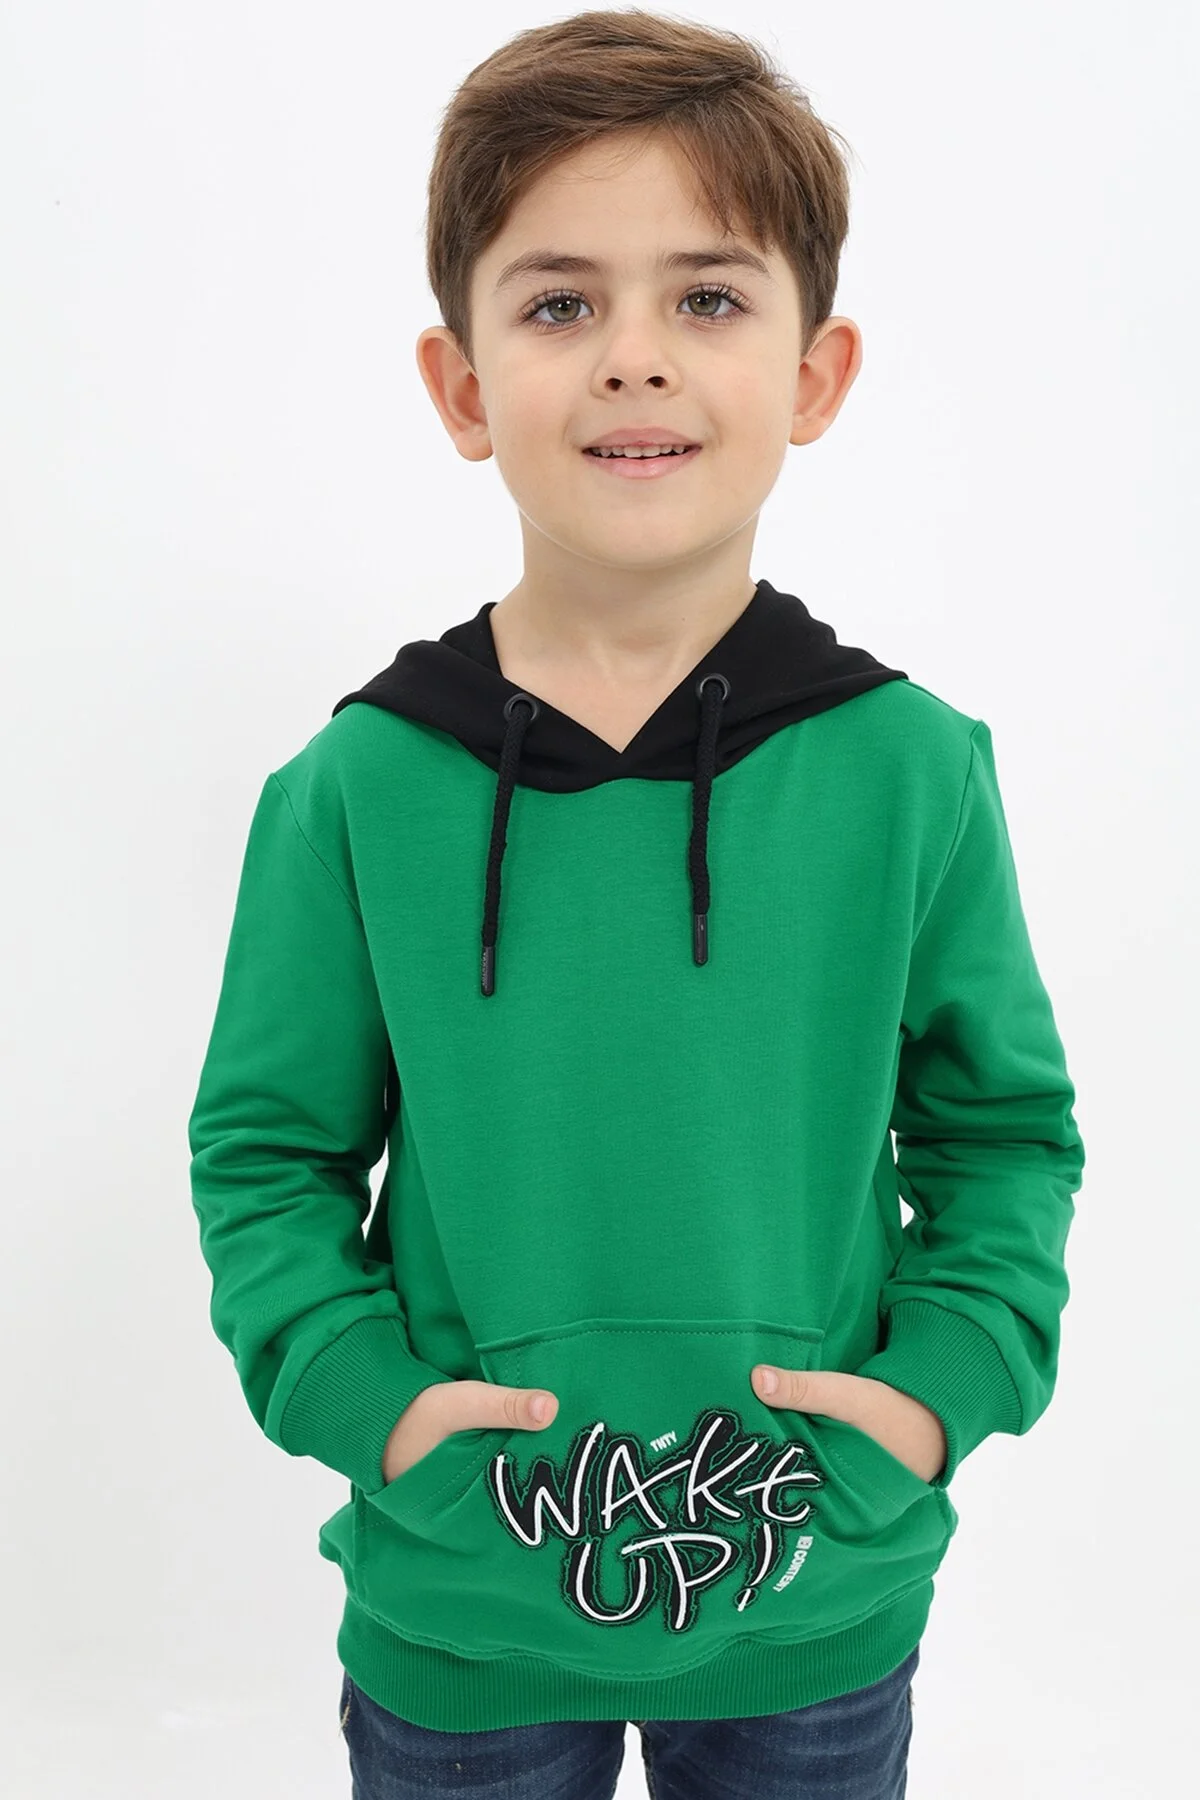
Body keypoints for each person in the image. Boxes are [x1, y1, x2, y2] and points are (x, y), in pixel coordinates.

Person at [187, 9, 1086, 1796]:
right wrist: (378, 1409)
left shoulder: (913, 769)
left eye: (708, 297)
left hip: (819, 1592)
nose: (634, 361)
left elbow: (1003, 1137)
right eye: (557, 305)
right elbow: (268, 1155)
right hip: (461, 1598)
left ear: (815, 374)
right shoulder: (355, 789)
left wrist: (931, 1398)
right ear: (463, 386)